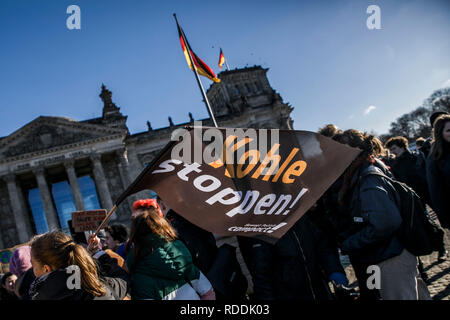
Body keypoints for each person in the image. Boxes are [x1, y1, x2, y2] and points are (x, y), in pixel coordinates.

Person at [333, 129, 430, 300]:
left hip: (390, 256)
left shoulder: (367, 178)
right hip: (389, 253)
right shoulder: (363, 173)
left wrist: (351, 242)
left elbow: (386, 223)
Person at [237, 213, 350, 300]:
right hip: (288, 295)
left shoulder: (301, 218)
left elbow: (322, 246)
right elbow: (261, 275)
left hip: (318, 290)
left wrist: (334, 270)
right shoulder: (262, 229)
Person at [125, 199, 215, 300]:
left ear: (134, 233)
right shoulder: (182, 257)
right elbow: (208, 291)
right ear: (163, 226)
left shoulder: (137, 273)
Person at [28, 231, 129, 300]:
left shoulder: (39, 295)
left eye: (33, 265)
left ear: (46, 269)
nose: (33, 271)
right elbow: (123, 281)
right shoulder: (97, 289)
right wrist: (98, 255)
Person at [384, 136, 430, 204]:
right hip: (414, 198)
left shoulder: (416, 157)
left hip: (429, 191)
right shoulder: (395, 166)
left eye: (394, 148)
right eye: (391, 150)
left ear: (402, 146)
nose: (392, 152)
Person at [426, 114, 450, 230]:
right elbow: (436, 191)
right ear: (440, 133)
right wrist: (445, 219)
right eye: (449, 130)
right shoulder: (435, 158)